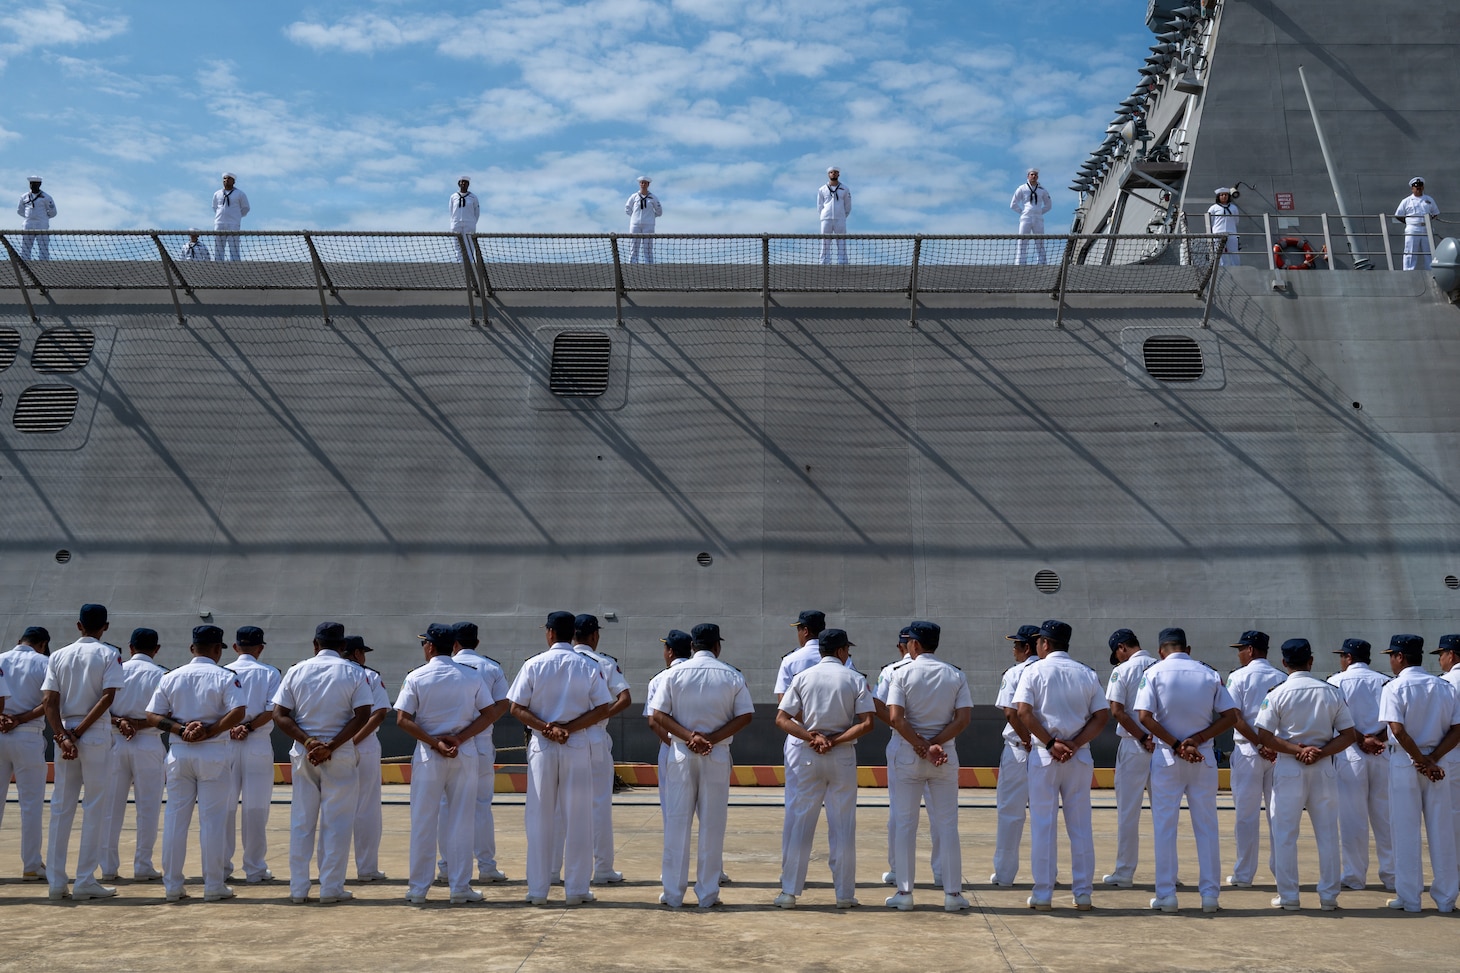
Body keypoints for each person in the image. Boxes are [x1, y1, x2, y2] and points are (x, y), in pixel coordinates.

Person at [508, 611, 613, 906]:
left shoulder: (533, 665)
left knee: (539, 816)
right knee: (578, 818)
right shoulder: (589, 665)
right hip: (575, 744)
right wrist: (568, 728)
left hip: (543, 746)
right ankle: (576, 889)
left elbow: (516, 707)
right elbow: (602, 708)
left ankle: (538, 890)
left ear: (551, 633)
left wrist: (546, 728)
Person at [648, 622, 754, 909]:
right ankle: (707, 894)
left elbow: (658, 714)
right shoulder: (732, 675)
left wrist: (689, 737)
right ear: (717, 646)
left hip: (681, 754)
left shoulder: (674, 674)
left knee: (677, 823)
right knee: (712, 825)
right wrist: (710, 739)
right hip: (716, 754)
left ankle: (673, 894)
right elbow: (745, 716)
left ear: (693, 646)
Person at [1135, 627, 1240, 914]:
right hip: (1202, 758)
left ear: (1161, 651)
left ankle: (1167, 895)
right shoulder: (1209, 674)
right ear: (1188, 649)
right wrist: (1198, 739)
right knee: (1207, 827)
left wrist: (1176, 744)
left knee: (1165, 828)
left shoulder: (1153, 674)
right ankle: (1210, 896)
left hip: (1167, 758)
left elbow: (1144, 717)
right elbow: (1231, 716)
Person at [270, 621, 373, 905]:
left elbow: (279, 715)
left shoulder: (296, 671)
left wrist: (308, 742)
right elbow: (363, 714)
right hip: (339, 754)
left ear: (315, 645)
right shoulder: (354, 672)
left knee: (302, 821)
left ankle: (298, 889)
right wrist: (331, 745)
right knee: (337, 822)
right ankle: (330, 888)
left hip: (305, 754)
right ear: (343, 646)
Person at [395, 623, 497, 905]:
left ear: (429, 646)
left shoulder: (416, 676)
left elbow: (403, 719)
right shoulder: (472, 676)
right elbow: (489, 713)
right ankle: (460, 887)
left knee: (423, 821)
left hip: (429, 756)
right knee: (462, 821)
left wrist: (433, 742)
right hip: (463, 753)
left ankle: (418, 889)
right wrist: (460, 738)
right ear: (453, 646)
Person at [774, 628, 874, 909]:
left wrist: (812, 737)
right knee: (843, 826)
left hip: (808, 755)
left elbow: (782, 719)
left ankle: (789, 892)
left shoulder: (803, 677)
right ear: (841, 651)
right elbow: (867, 722)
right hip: (841, 756)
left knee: (801, 824)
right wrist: (835, 740)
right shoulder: (854, 678)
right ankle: (844, 894)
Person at [1014, 619, 1110, 912]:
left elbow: (1023, 712)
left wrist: (1049, 743)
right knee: (1080, 826)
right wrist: (1075, 743)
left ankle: (1043, 893)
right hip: (1078, 757)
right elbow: (1101, 716)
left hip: (1045, 757)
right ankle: (1083, 893)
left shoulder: (1034, 671)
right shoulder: (1086, 673)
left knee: (1043, 826)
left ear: (1044, 643)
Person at [145, 625, 247, 902]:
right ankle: (213, 885)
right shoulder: (226, 676)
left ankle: (172, 886)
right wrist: (209, 731)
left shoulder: (171, 677)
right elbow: (238, 711)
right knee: (212, 821)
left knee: (175, 820)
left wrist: (181, 730)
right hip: (213, 752)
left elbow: (152, 715)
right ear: (217, 650)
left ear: (192, 648)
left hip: (179, 751)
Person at [1255, 638, 1356, 911]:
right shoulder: (1331, 692)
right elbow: (1349, 735)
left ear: (1284, 662)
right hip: (1323, 767)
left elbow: (1264, 736)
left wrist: (1296, 750)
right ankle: (1328, 896)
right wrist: (1319, 753)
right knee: (1327, 833)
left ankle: (1289, 896)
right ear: (1311, 661)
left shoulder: (1277, 693)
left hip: (1290, 767)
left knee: (1285, 833)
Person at [884, 620, 973, 912]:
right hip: (944, 755)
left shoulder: (901, 674)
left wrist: (921, 745)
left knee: (905, 824)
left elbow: (896, 718)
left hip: (908, 754)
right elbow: (962, 719)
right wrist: (934, 744)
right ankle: (953, 894)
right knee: (947, 825)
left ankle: (905, 893)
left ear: (914, 644)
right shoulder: (955, 675)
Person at [42, 603, 125, 901]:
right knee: (95, 806)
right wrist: (78, 733)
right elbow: (107, 698)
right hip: (94, 732)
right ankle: (85, 880)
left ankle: (56, 882)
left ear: (78, 625)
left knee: (61, 807)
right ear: (105, 627)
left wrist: (62, 736)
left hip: (64, 730)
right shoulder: (109, 654)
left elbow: (49, 700)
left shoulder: (58, 655)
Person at [1379, 633, 1460, 913]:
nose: (1391, 661)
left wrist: (1419, 760)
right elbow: (1457, 730)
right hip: (1439, 763)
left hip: (1406, 762)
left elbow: (1398, 731)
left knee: (1405, 830)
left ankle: (1410, 898)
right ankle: (1446, 899)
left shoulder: (1394, 687)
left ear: (1400, 657)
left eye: (1392, 656)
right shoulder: (1443, 686)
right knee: (1442, 831)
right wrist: (1432, 759)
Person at [554, 615, 632, 885]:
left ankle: (552, 869)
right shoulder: (604, 663)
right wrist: (600, 715)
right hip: (594, 738)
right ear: (595, 636)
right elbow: (625, 698)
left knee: (558, 806)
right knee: (598, 804)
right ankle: (602, 868)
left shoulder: (555, 662)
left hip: (560, 737)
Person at [439, 621, 509, 884]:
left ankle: (447, 866)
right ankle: (487, 866)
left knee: (447, 807)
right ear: (477, 643)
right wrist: (482, 724)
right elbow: (503, 703)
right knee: (481, 806)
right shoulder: (491, 668)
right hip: (480, 744)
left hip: (447, 745)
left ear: (454, 643)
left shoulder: (444, 668)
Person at [876, 626, 944, 888]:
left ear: (902, 646)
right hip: (940, 746)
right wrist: (929, 742)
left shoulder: (892, 672)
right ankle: (942, 873)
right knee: (941, 814)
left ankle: (898, 872)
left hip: (904, 744)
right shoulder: (949, 672)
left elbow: (879, 706)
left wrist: (911, 736)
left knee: (901, 813)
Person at [1327, 637, 1395, 891]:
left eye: (1342, 656)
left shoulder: (1336, 682)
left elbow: (1336, 720)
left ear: (1349, 657)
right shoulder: (1385, 681)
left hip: (1349, 755)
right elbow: (1395, 719)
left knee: (1352, 818)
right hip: (1382, 752)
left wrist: (1360, 739)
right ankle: (1392, 876)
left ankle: (1355, 876)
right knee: (1386, 818)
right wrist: (1377, 739)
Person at [101, 628, 168, 883]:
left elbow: (100, 707)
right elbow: (166, 716)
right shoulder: (162, 674)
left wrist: (121, 722)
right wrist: (137, 725)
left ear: (130, 647)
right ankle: (143, 865)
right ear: (156, 649)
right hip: (148, 743)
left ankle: (108, 867)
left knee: (110, 807)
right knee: (148, 808)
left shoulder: (115, 671)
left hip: (115, 741)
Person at [1225, 629, 1285, 888]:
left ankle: (1244, 874)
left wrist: (1259, 743)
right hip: (1277, 752)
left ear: (1250, 650)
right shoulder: (1282, 677)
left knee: (1246, 815)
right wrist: (1270, 744)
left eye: (1241, 649)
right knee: (1278, 814)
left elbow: (1235, 717)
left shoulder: (1238, 677)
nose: (1239, 654)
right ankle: (1281, 871)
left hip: (1249, 750)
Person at [223, 626, 281, 884]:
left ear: (235, 647)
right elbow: (272, 710)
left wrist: (232, 728)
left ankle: (221, 866)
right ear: (260, 648)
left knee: (224, 807)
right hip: (257, 743)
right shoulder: (270, 673)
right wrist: (248, 727)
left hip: (225, 741)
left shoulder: (223, 671)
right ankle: (255, 869)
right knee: (256, 807)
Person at [1103, 628, 1159, 888]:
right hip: (1163, 745)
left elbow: (1117, 711)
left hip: (1133, 745)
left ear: (1122, 648)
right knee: (1164, 812)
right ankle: (1168, 873)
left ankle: (1124, 872)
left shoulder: (1122, 671)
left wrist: (1142, 737)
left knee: (1128, 811)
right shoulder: (1160, 667)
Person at [0, 627, 53, 881]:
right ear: (42, 644)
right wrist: (19, 719)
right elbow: (49, 702)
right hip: (28, 735)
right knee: (31, 805)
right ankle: (31, 864)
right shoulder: (45, 662)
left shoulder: (1, 658)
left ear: (19, 640)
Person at [990, 623, 1039, 887]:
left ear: (1026, 648)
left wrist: (1026, 738)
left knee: (1010, 813)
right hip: (1048, 751)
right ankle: (1047, 873)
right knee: (1044, 816)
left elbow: (1011, 712)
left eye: (1016, 645)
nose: (1013, 650)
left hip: (1020, 749)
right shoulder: (1051, 671)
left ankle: (1005, 874)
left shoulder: (1015, 673)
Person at [341, 635, 390, 882]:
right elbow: (378, 713)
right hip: (365, 745)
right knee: (367, 808)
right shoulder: (369, 676)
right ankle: (367, 868)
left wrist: (340, 743)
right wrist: (354, 741)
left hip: (330, 745)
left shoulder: (330, 674)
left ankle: (332, 872)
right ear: (357, 653)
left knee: (333, 808)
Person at [646, 630, 692, 835]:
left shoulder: (658, 679)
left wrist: (675, 742)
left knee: (671, 806)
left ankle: (673, 851)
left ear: (670, 651)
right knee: (707, 809)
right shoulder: (700, 675)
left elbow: (653, 721)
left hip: (670, 747)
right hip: (706, 746)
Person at [1437, 634, 1460, 867]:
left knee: (1453, 811)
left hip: (1453, 752)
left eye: (1441, 654)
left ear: (1451, 655)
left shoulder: (1446, 683)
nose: (1440, 660)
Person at [1394, 177, 1439, 271]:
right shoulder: (1406, 201)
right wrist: (1408, 222)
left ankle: (1431, 271)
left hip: (1426, 228)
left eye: (1420, 187)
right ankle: (1408, 271)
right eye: (1416, 187)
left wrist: (1428, 221)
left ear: (1423, 187)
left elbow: (1435, 213)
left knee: (1429, 251)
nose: (1418, 189)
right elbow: (1398, 215)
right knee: (1410, 251)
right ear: (1412, 188)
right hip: (1413, 228)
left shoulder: (1429, 200)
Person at [1010, 168, 1053, 265]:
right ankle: (1020, 263)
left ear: (1038, 177)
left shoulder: (1042, 190)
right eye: (1032, 174)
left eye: (1035, 175)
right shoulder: (1022, 188)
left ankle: (1042, 263)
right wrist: (1023, 212)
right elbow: (1013, 204)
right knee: (1022, 240)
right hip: (1026, 217)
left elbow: (1049, 205)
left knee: (1040, 241)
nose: (1034, 176)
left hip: (1038, 218)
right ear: (1028, 176)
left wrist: (1039, 212)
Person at [817, 167, 852, 265]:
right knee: (825, 241)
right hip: (826, 218)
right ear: (828, 174)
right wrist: (824, 215)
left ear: (838, 174)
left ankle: (843, 262)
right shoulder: (822, 189)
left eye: (835, 172)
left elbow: (848, 205)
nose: (833, 174)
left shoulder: (845, 189)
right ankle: (824, 262)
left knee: (841, 241)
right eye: (831, 172)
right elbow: (819, 206)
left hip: (840, 219)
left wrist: (842, 215)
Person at [17, 176, 56, 261]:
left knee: (43, 245)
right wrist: (29, 217)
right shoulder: (24, 197)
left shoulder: (46, 197)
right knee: (25, 246)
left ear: (39, 184)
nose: (32, 185)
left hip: (41, 224)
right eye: (31, 183)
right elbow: (20, 211)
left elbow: (53, 212)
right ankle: (25, 263)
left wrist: (44, 218)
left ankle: (44, 263)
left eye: (35, 184)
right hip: (28, 223)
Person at [212, 172, 250, 261]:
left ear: (233, 182)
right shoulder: (217, 193)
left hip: (233, 223)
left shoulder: (240, 194)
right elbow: (215, 207)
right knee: (218, 245)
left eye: (229, 179)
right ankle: (218, 263)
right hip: (219, 223)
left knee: (234, 245)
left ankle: (235, 263)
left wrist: (236, 216)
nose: (226, 180)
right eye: (224, 179)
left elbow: (245, 208)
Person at [625, 176, 661, 264]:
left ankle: (649, 264)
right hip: (635, 224)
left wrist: (651, 217)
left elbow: (659, 211)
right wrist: (634, 217)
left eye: (645, 183)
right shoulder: (634, 196)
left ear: (648, 184)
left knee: (648, 246)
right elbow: (627, 208)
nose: (643, 185)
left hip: (648, 225)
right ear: (639, 184)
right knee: (634, 245)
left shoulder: (653, 197)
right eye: (642, 183)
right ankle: (632, 263)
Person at [1207, 188, 1240, 267]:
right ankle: (1221, 267)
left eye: (1226, 195)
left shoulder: (1233, 208)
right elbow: (1210, 220)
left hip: (1231, 233)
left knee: (1234, 252)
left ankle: (1236, 267)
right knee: (1219, 253)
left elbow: (1236, 220)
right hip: (1218, 233)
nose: (1224, 196)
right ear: (1218, 197)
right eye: (1222, 195)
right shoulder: (1213, 208)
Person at [450, 177, 480, 260]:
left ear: (468, 185)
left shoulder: (473, 197)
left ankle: (470, 262)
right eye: (462, 182)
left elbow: (477, 212)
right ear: (459, 184)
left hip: (469, 223)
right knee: (457, 244)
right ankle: (459, 262)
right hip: (456, 223)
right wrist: (454, 221)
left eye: (466, 182)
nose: (463, 184)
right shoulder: (453, 196)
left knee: (469, 244)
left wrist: (472, 222)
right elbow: (451, 210)